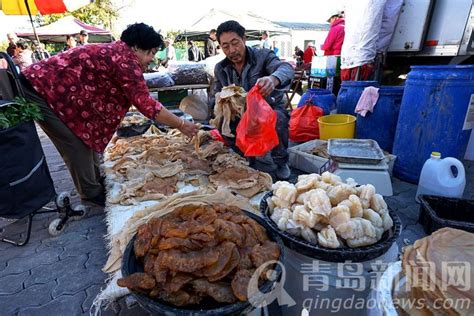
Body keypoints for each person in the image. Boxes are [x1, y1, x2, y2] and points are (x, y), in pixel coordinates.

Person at [18, 23, 199, 206]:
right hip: (40, 89)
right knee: (75, 142)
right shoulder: (125, 60)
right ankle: (90, 193)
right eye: (151, 53)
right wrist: (181, 125)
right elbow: (146, 103)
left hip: (58, 92)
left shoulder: (120, 52)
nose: (151, 59)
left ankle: (95, 182)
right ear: (136, 47)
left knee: (84, 136)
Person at [213, 20, 294, 180]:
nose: (231, 50)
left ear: (244, 39)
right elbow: (216, 96)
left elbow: (286, 69)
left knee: (278, 118)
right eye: (225, 46)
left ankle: (280, 161)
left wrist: (273, 79)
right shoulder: (221, 68)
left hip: (267, 110)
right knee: (225, 123)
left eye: (235, 43)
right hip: (240, 114)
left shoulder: (263, 56)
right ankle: (243, 158)